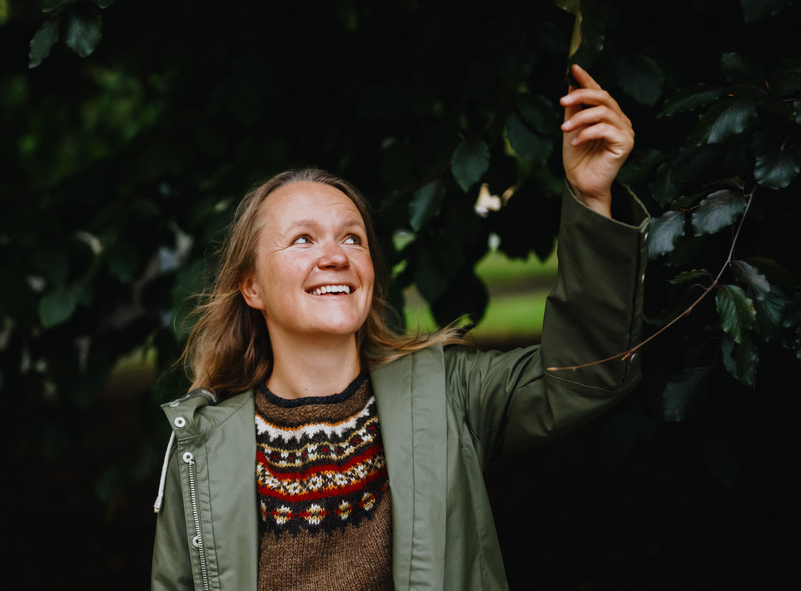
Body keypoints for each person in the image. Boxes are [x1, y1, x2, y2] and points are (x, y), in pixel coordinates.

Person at [150, 65, 648, 590]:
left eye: (352, 238)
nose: (336, 256)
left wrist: (593, 198)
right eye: (302, 239)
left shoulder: (447, 393)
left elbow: (586, 375)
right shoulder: (202, 449)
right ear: (251, 287)